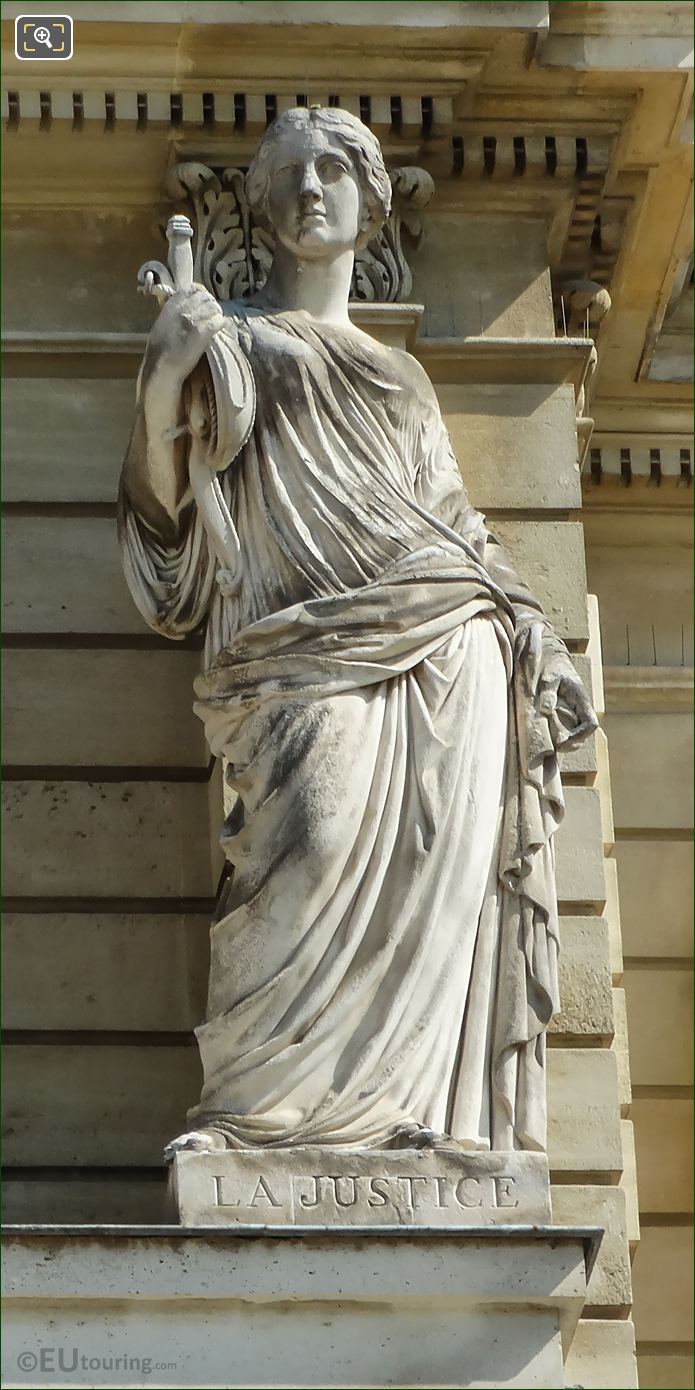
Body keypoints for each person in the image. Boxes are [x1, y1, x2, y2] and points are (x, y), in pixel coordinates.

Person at [118, 106, 597, 1159]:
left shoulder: (401, 377)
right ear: (259, 203)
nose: (309, 185)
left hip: (443, 654)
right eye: (286, 170)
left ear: (371, 202)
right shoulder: (229, 340)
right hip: (294, 661)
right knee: (310, 847)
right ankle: (257, 1117)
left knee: (425, 880)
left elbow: (449, 526)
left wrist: (529, 629)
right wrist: (163, 382)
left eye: (335, 167)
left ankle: (397, 1117)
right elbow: (166, 539)